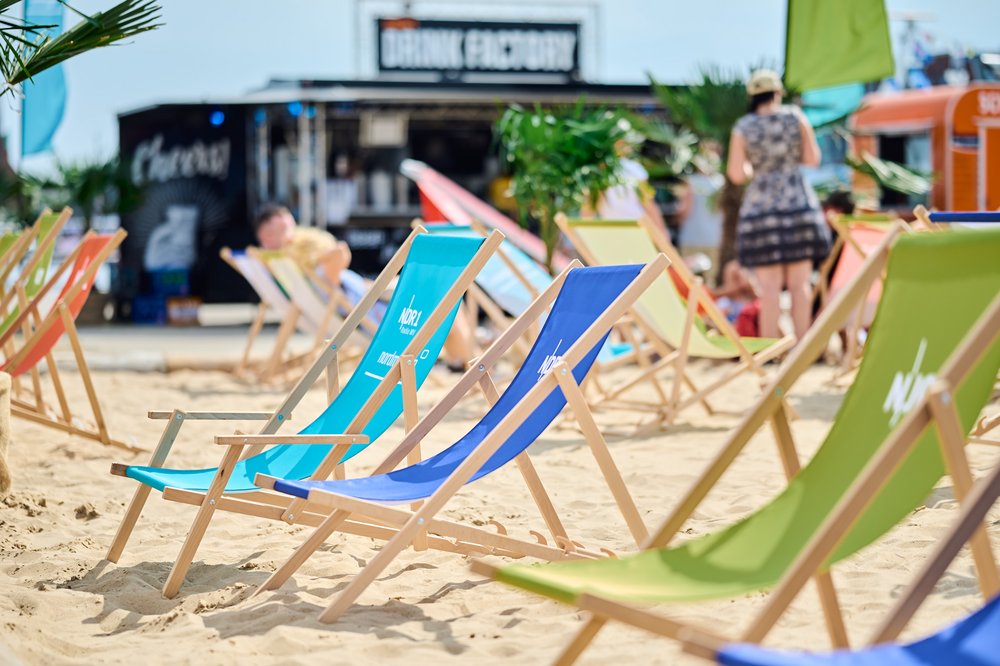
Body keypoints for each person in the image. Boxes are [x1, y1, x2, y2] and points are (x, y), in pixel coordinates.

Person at [253, 204, 474, 370]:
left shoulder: (297, 272)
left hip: (373, 309)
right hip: (380, 320)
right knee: (448, 305)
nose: (295, 233)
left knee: (446, 303)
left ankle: (461, 361)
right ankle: (471, 364)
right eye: (286, 228)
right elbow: (341, 252)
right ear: (267, 236)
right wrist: (324, 253)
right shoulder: (319, 271)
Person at [727, 69, 831, 341]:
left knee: (769, 289)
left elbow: (736, 174)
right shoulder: (796, 117)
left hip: (761, 211)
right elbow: (812, 159)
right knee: (800, 286)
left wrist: (755, 168)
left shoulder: (743, 127)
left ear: (752, 96)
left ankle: (769, 352)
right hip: (798, 205)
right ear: (778, 92)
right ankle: (802, 352)